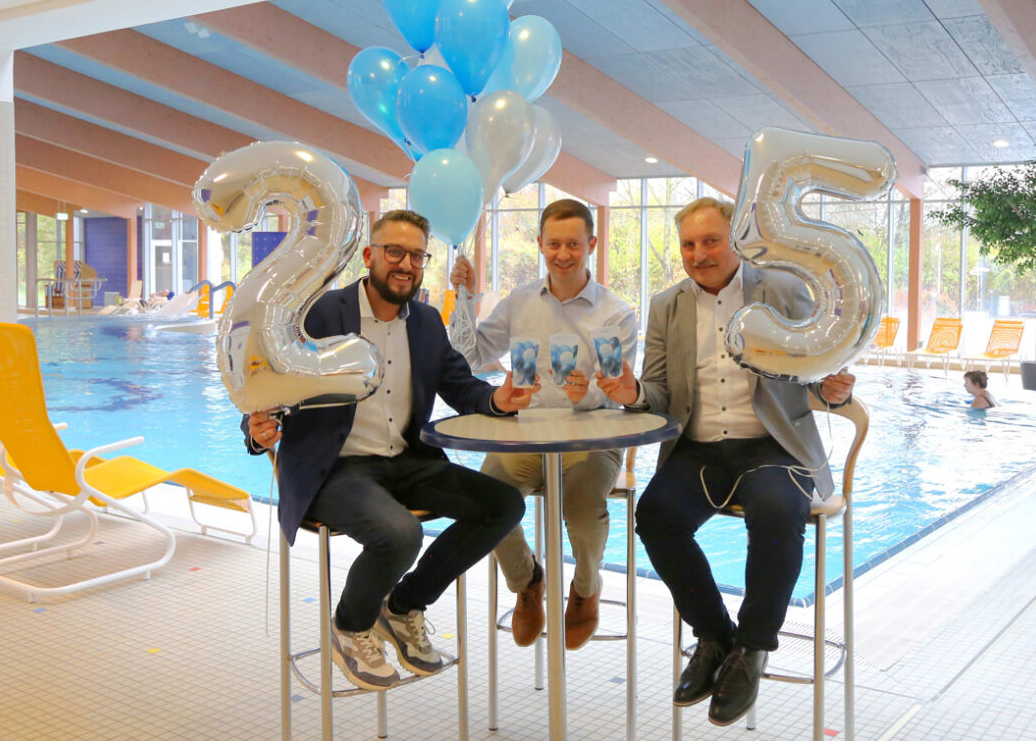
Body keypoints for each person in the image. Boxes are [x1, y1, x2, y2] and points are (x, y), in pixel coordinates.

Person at [242, 209, 531, 691]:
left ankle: (402, 606)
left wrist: (497, 400)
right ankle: (351, 627)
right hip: (334, 470)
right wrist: (256, 429)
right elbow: (264, 381)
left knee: (503, 504)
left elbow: (460, 385)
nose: (406, 264)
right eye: (395, 252)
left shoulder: (424, 321)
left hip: (408, 461)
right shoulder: (318, 314)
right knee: (400, 533)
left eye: (417, 255)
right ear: (369, 255)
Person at [597, 197, 856, 727]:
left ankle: (753, 647)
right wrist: (631, 393)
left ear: (735, 240)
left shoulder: (783, 291)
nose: (699, 253)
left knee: (777, 509)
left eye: (710, 240)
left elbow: (815, 374)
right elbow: (662, 390)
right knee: (656, 517)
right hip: (699, 446)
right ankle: (713, 637)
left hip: (772, 443)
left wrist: (831, 389)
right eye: (689, 244)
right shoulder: (667, 304)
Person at [448, 198, 637, 650]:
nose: (564, 254)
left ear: (591, 244)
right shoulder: (520, 303)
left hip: (592, 438)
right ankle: (527, 582)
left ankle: (586, 589)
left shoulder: (613, 314)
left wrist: (585, 395)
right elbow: (469, 354)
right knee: (487, 493)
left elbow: (616, 388)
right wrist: (465, 298)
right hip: (527, 435)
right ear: (540, 245)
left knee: (582, 501)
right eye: (554, 244)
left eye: (574, 243)